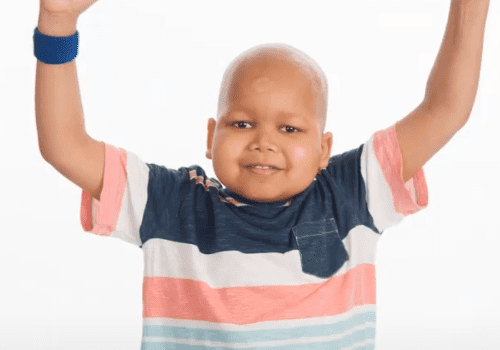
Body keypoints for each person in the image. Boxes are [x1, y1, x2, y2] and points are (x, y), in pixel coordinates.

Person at [34, 0, 490, 348]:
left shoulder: (354, 192)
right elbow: (65, 146)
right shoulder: (170, 204)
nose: (263, 141)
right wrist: (57, 23)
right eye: (241, 123)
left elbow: (445, 109)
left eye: (289, 128)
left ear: (323, 149)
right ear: (211, 136)